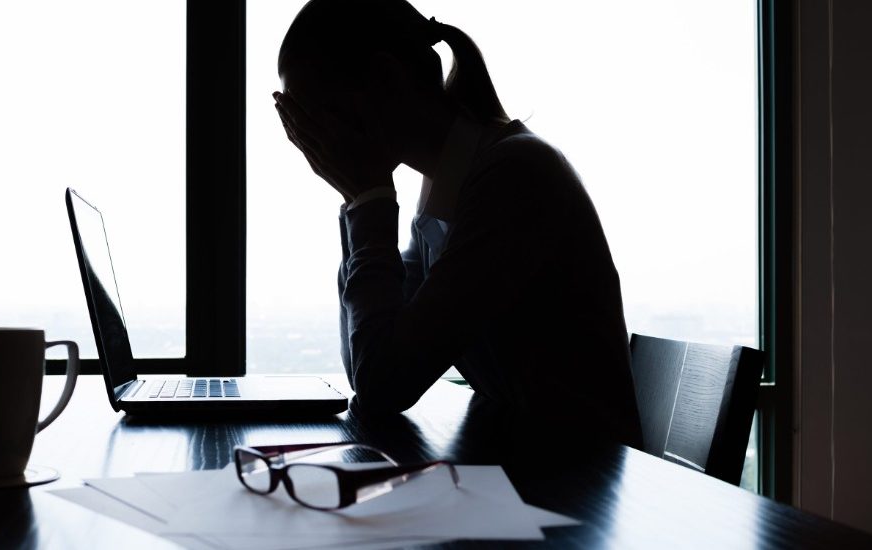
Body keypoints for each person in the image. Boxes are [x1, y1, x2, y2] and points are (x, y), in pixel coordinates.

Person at [273, 0, 643, 449]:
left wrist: (367, 201)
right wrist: (358, 201)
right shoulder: (450, 181)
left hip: (579, 483)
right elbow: (367, 365)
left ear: (386, 80)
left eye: (317, 116)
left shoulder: (514, 175)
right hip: (534, 465)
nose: (317, 142)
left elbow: (384, 384)